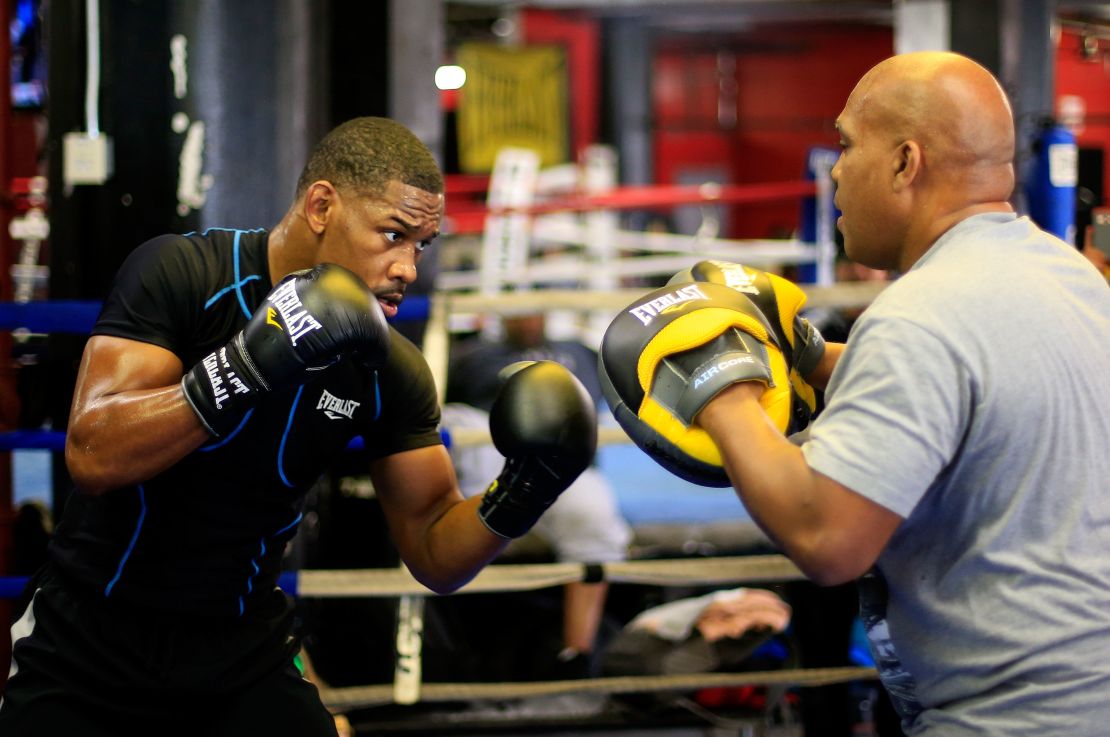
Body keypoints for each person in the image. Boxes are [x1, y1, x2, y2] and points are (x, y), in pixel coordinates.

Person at [0, 117, 597, 736]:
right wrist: (249, 363)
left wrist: (525, 490)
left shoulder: (390, 368)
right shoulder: (185, 275)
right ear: (321, 205)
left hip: (239, 651)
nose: (407, 268)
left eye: (420, 244)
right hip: (89, 642)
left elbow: (433, 550)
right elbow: (93, 455)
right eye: (392, 234)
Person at [602, 52, 1110, 735]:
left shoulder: (920, 314)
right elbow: (969, 389)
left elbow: (827, 536)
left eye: (845, 144)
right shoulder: (1065, 273)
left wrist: (720, 384)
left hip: (1011, 717)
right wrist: (806, 355)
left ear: (906, 163)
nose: (836, 171)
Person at [444, 312, 632, 678]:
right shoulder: (474, 355)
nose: (527, 316)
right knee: (453, 424)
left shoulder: (581, 351)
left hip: (564, 452)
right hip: (488, 438)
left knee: (593, 518)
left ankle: (575, 654)